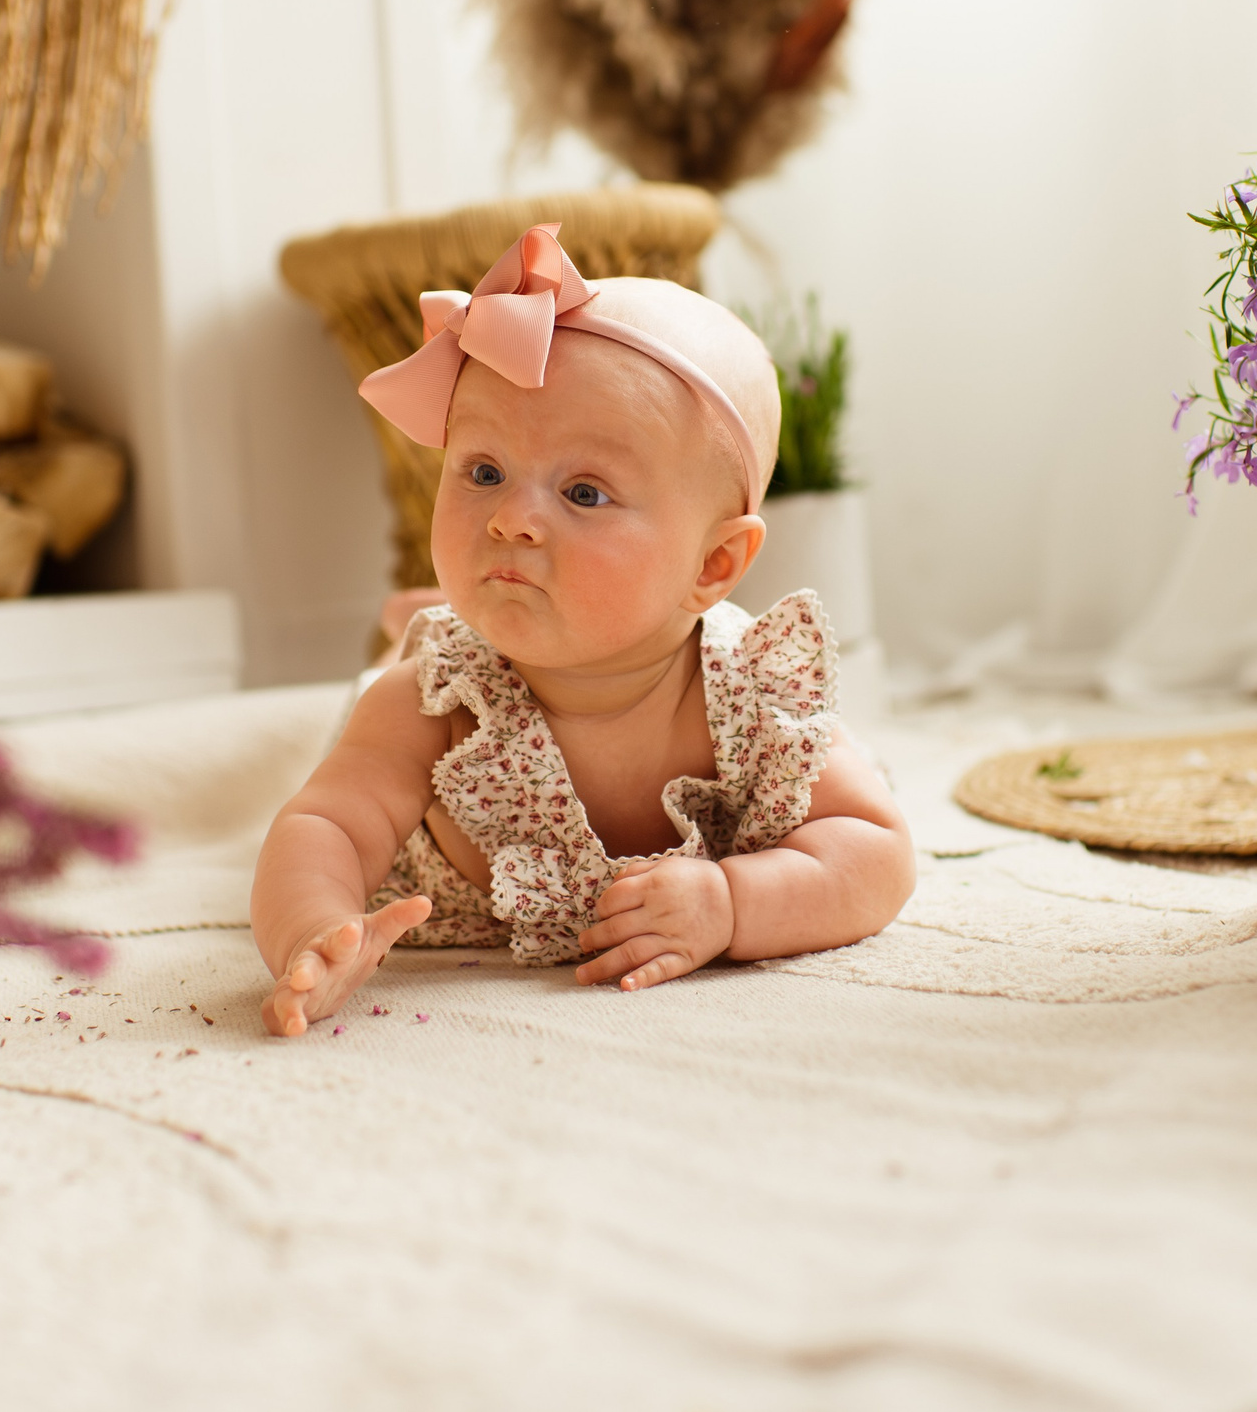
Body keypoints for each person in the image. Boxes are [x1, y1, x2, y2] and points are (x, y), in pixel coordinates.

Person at [251, 224, 912, 1037]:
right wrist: (312, 929)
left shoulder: (750, 688)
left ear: (711, 566)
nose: (512, 520)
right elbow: (326, 824)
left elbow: (875, 851)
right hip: (436, 668)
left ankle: (414, 608)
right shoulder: (436, 698)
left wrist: (736, 902)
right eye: (485, 472)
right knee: (395, 665)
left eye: (586, 493)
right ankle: (409, 621)